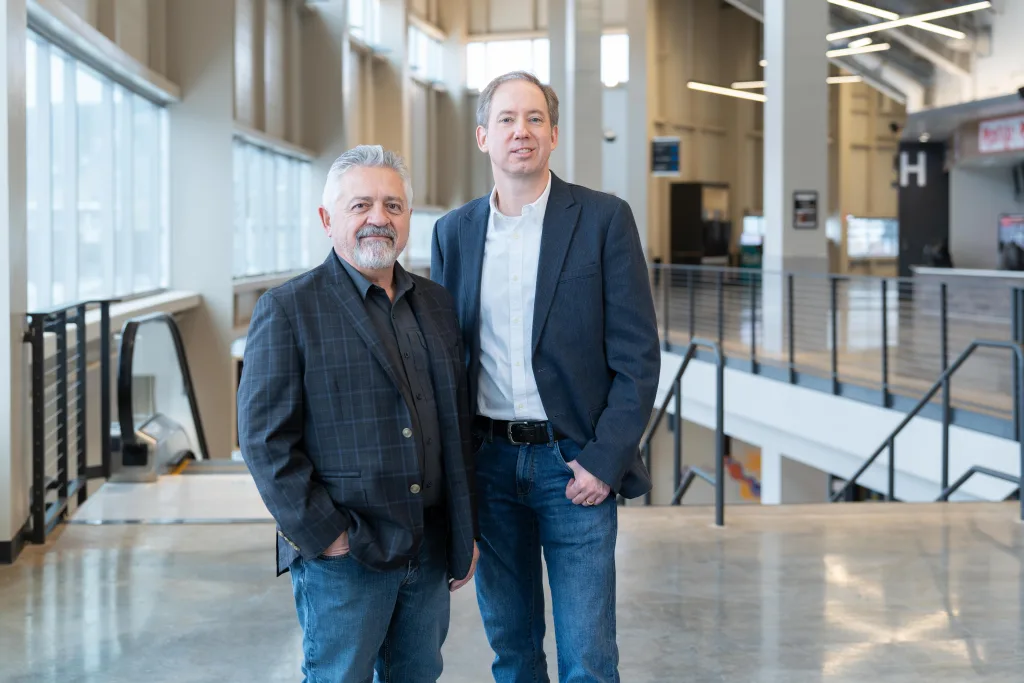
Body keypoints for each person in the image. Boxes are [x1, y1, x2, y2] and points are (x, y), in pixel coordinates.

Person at [430, 72, 661, 682]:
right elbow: (447, 363)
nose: (520, 132)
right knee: (513, 653)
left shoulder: (605, 220)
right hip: (490, 468)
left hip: (574, 468)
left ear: (554, 135)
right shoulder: (452, 233)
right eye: (506, 119)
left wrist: (603, 460)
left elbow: (638, 356)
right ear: (483, 136)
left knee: (588, 658)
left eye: (534, 119)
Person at [237, 144, 479, 683]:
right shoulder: (288, 309)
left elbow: (455, 425)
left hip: (430, 546)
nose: (379, 218)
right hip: (347, 558)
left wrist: (464, 532)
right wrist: (327, 536)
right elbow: (263, 440)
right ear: (328, 220)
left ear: (408, 219)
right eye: (361, 205)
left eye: (393, 206)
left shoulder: (436, 305)